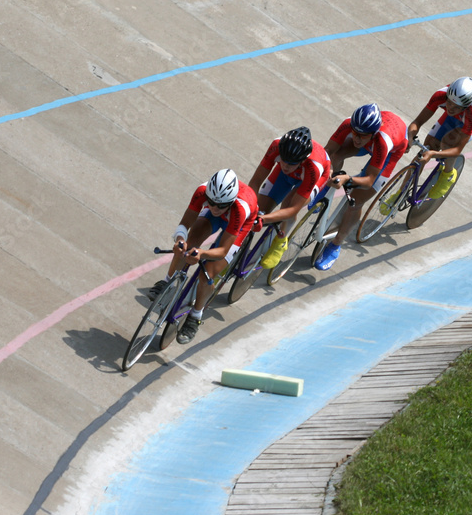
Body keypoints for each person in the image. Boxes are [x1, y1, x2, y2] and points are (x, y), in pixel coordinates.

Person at [148, 168, 259, 344]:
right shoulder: (202, 192)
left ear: (230, 202)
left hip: (240, 223)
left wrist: (202, 253)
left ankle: (195, 315)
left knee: (207, 273)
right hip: (218, 216)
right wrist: (180, 240)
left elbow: (222, 250)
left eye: (220, 205)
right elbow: (184, 224)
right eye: (211, 202)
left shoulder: (239, 209)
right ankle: (167, 282)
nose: (215, 208)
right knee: (187, 245)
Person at [313, 103, 408, 271]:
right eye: (354, 133)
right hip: (372, 139)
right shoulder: (348, 125)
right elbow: (327, 152)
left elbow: (369, 180)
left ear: (373, 133)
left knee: (356, 200)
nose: (356, 138)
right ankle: (326, 189)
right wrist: (324, 179)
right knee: (335, 155)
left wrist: (348, 179)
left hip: (390, 152)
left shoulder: (382, 142)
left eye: (362, 136)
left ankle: (336, 245)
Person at [247, 126, 331, 269]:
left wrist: (264, 219)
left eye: (291, 163)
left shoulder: (313, 167)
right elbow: (255, 182)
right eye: (284, 160)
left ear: (301, 160)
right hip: (288, 175)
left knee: (287, 205)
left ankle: (281, 240)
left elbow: (292, 209)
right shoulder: (276, 146)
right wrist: (253, 209)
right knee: (258, 207)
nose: (285, 166)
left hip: (313, 177)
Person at [405, 76, 472, 199]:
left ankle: (448, 174)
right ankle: (400, 193)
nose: (451, 108)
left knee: (448, 143)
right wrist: (409, 137)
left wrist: (433, 154)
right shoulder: (440, 95)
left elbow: (457, 150)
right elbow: (417, 122)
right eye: (449, 103)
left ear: (465, 106)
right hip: (459, 114)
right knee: (426, 148)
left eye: (456, 106)